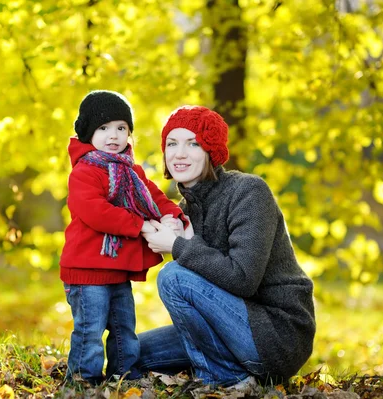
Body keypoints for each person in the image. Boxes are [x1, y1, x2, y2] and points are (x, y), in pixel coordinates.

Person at [138, 105, 316, 390]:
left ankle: (222, 380)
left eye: (193, 143)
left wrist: (178, 246)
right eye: (172, 144)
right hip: (224, 327)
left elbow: (242, 279)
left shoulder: (249, 191)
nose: (179, 153)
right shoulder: (184, 211)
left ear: (211, 151)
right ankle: (227, 370)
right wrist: (141, 226)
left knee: (172, 277)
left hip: (275, 335)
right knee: (132, 353)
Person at [60, 90, 187, 385]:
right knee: (89, 330)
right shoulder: (84, 171)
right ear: (88, 133)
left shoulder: (132, 171)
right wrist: (141, 225)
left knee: (123, 328)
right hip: (87, 270)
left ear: (129, 133)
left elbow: (155, 198)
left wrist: (173, 216)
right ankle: (83, 380)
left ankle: (125, 377)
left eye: (121, 128)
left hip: (117, 270)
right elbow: (96, 212)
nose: (113, 135)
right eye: (103, 128)